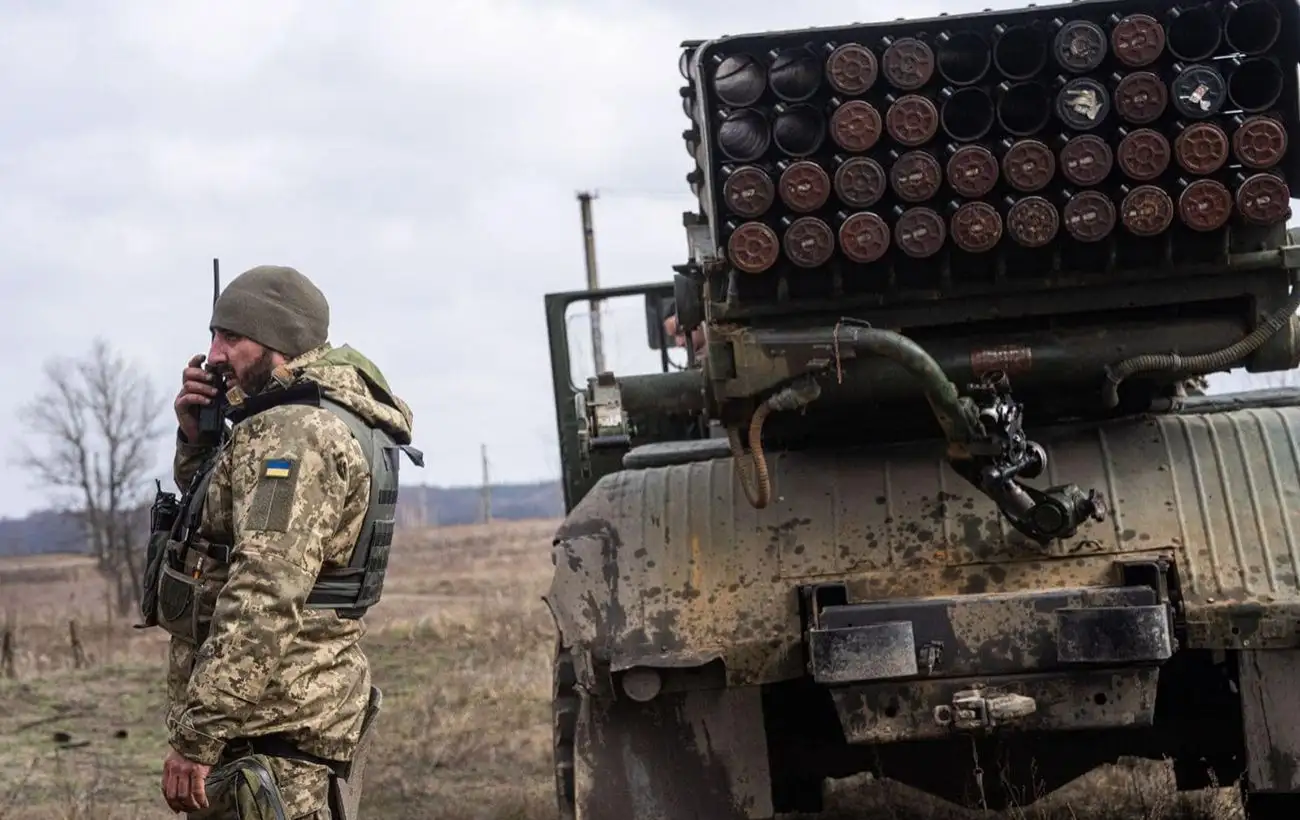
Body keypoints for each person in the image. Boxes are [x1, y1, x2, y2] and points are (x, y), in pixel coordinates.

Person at [148, 264, 419, 819]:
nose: (214, 355)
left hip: (272, 725)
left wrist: (197, 736)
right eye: (213, 335)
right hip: (280, 717)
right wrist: (199, 441)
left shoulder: (294, 435)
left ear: (278, 342)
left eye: (232, 337)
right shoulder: (299, 417)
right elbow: (226, 526)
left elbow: (264, 592)